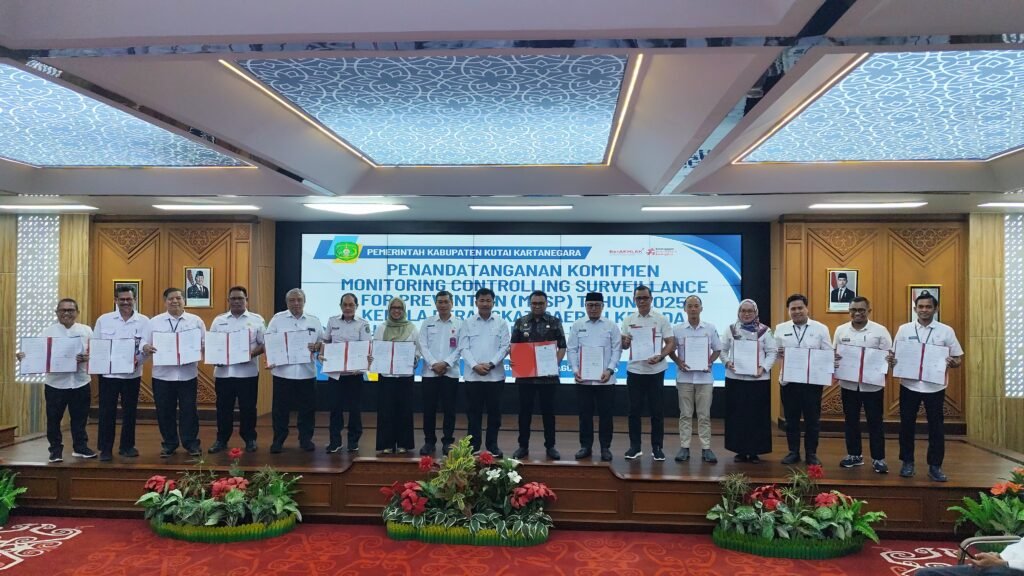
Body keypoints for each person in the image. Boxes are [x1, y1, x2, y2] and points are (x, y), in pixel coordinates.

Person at [889, 292, 963, 482]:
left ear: (935, 309)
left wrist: (953, 362)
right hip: (909, 385)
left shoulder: (946, 331)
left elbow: (958, 359)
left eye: (928, 307)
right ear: (915, 309)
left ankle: (935, 466)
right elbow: (894, 355)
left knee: (936, 427)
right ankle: (907, 462)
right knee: (906, 425)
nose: (924, 310)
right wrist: (892, 360)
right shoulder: (904, 329)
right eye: (920, 307)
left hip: (934, 387)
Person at [16, 298, 95, 463]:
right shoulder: (47, 332)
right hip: (56, 384)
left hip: (80, 381)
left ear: (77, 312)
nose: (66, 313)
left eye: (70, 310)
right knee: (53, 419)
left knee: (80, 418)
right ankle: (55, 451)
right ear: (57, 313)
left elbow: (96, 352)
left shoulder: (86, 330)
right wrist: (24, 357)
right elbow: (37, 354)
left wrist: (88, 357)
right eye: (62, 310)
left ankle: (80, 447)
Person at [142, 287, 207, 458]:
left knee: (189, 410)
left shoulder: (195, 321)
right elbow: (143, 342)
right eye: (171, 298)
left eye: (178, 298)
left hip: (188, 375)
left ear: (184, 301)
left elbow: (205, 342)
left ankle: (191, 443)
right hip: (162, 375)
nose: (175, 301)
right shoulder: (154, 322)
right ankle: (169, 444)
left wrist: (202, 347)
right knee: (165, 411)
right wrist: (146, 347)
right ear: (165, 302)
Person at [833, 296, 892, 473]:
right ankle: (854, 455)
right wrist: (835, 358)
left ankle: (878, 458)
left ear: (869, 311)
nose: (857, 313)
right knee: (851, 421)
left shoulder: (880, 331)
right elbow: (833, 353)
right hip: (848, 384)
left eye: (861, 310)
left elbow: (889, 355)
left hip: (872, 386)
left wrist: (886, 365)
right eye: (853, 310)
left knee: (875, 422)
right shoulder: (841, 330)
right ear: (849, 311)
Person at [775, 293, 832, 465]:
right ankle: (793, 452)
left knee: (812, 420)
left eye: (800, 308)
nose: (797, 311)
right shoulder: (780, 328)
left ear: (807, 309)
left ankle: (811, 453)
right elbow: (774, 354)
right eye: (793, 309)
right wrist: (778, 353)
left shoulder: (821, 328)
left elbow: (828, 352)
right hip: (789, 382)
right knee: (791, 420)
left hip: (812, 382)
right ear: (788, 311)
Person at [620, 284, 676, 461]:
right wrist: (625, 342)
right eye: (639, 298)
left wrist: (661, 356)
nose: (642, 301)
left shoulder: (661, 319)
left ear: (651, 299)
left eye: (645, 298)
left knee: (657, 411)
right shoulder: (628, 320)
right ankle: (635, 447)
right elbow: (624, 345)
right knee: (633, 411)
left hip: (655, 371)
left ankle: (657, 447)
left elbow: (670, 342)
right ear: (634, 300)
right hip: (635, 371)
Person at [207, 286, 265, 454]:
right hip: (224, 374)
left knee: (248, 408)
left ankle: (250, 439)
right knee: (223, 408)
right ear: (228, 301)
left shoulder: (257, 320)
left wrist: (251, 354)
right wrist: (215, 358)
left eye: (240, 298)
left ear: (246, 300)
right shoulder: (219, 320)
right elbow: (213, 344)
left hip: (248, 373)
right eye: (233, 298)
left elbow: (264, 344)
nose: (237, 301)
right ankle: (221, 439)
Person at [93, 286, 148, 461]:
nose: (125, 302)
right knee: (106, 412)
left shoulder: (144, 321)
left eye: (129, 299)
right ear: (115, 300)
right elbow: (96, 345)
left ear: (135, 300)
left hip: (132, 375)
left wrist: (138, 360)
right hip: (108, 376)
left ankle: (127, 446)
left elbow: (146, 347)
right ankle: (105, 449)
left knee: (130, 412)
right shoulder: (104, 320)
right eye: (122, 299)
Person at [511, 290, 567, 461]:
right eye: (534, 303)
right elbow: (513, 347)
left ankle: (550, 446)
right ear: (530, 304)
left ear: (546, 304)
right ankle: (523, 446)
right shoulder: (521, 322)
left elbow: (562, 346)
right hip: (525, 377)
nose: (537, 306)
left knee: (548, 413)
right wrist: (516, 360)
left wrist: (554, 363)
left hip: (548, 377)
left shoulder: (554, 322)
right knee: (524, 413)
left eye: (541, 303)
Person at [266, 288, 322, 454]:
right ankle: (278, 440)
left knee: (307, 409)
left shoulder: (314, 321)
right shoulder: (277, 320)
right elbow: (269, 342)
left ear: (304, 302)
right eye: (292, 300)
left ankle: (305, 439)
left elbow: (322, 343)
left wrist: (317, 346)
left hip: (307, 373)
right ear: (287, 302)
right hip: (283, 373)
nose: (296, 303)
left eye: (299, 300)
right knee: (280, 410)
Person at [566, 292, 621, 462]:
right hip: (584, 379)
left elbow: (617, 349)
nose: (593, 308)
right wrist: (575, 370)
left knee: (606, 416)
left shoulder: (611, 326)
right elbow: (572, 349)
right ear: (585, 306)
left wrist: (610, 370)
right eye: (590, 305)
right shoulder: (577, 325)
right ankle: (585, 446)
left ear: (603, 306)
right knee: (585, 415)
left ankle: (605, 447)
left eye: (597, 305)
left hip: (606, 380)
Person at [721, 299, 777, 463]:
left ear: (756, 313)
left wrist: (764, 368)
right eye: (743, 311)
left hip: (758, 380)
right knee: (737, 415)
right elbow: (722, 350)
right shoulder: (730, 329)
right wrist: (727, 362)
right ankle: (739, 450)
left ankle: (754, 451)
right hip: (735, 379)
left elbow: (772, 352)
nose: (746, 314)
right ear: (738, 312)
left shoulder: (765, 331)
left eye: (750, 311)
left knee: (756, 416)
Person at [668, 295, 722, 464]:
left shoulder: (710, 328)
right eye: (689, 306)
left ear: (701, 308)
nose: (693, 309)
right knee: (685, 414)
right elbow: (670, 350)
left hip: (705, 379)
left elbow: (718, 349)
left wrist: (709, 362)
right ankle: (684, 447)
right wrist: (679, 362)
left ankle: (706, 448)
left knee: (704, 415)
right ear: (685, 309)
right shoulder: (677, 329)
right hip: (684, 378)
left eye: (696, 306)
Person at [459, 287, 510, 457]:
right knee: (473, 414)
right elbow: (463, 347)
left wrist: (490, 364)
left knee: (495, 414)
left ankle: (492, 445)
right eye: (482, 300)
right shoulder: (467, 323)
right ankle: (473, 446)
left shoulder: (501, 323)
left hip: (495, 376)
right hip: (473, 377)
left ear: (493, 302)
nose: (485, 303)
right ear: (476, 302)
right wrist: (475, 366)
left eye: (488, 300)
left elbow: (505, 347)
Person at [320, 293, 372, 454]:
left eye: (351, 305)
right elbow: (325, 341)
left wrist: (362, 366)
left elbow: (367, 347)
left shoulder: (363, 324)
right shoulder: (332, 321)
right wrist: (321, 354)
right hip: (335, 374)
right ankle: (335, 442)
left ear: (356, 306)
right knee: (335, 409)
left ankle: (353, 441)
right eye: (345, 304)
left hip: (354, 375)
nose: (348, 307)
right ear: (340, 306)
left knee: (355, 410)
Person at [416, 290, 462, 456]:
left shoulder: (460, 324)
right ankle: (429, 442)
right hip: (430, 373)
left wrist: (446, 363)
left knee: (449, 410)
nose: (443, 305)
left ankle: (448, 441)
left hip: (450, 373)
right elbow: (422, 345)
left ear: (452, 304)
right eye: (440, 302)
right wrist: (434, 364)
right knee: (429, 409)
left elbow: (461, 347)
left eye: (446, 302)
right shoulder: (427, 322)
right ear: (436, 304)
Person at [372, 297, 420, 455]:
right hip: (386, 376)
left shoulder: (412, 328)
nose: (396, 311)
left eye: (400, 308)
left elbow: (417, 350)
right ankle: (386, 444)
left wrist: (414, 359)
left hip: (405, 376)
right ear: (389, 309)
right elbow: (376, 349)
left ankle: (403, 444)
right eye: (393, 308)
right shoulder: (381, 328)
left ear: (404, 310)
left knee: (404, 411)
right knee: (386, 411)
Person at [916, 540, 1024, 575]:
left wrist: (1002, 563)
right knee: (926, 574)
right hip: (1001, 565)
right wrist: (998, 556)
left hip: (1014, 570)